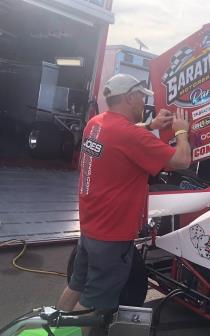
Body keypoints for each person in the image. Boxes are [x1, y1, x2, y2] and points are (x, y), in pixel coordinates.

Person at [56, 74, 191, 329]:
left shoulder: (96, 124)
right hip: (112, 235)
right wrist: (181, 132)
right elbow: (182, 161)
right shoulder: (131, 136)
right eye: (141, 97)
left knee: (77, 284)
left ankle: (52, 326)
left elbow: (123, 134)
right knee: (98, 306)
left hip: (90, 228)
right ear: (129, 97)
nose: (143, 102)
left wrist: (150, 125)